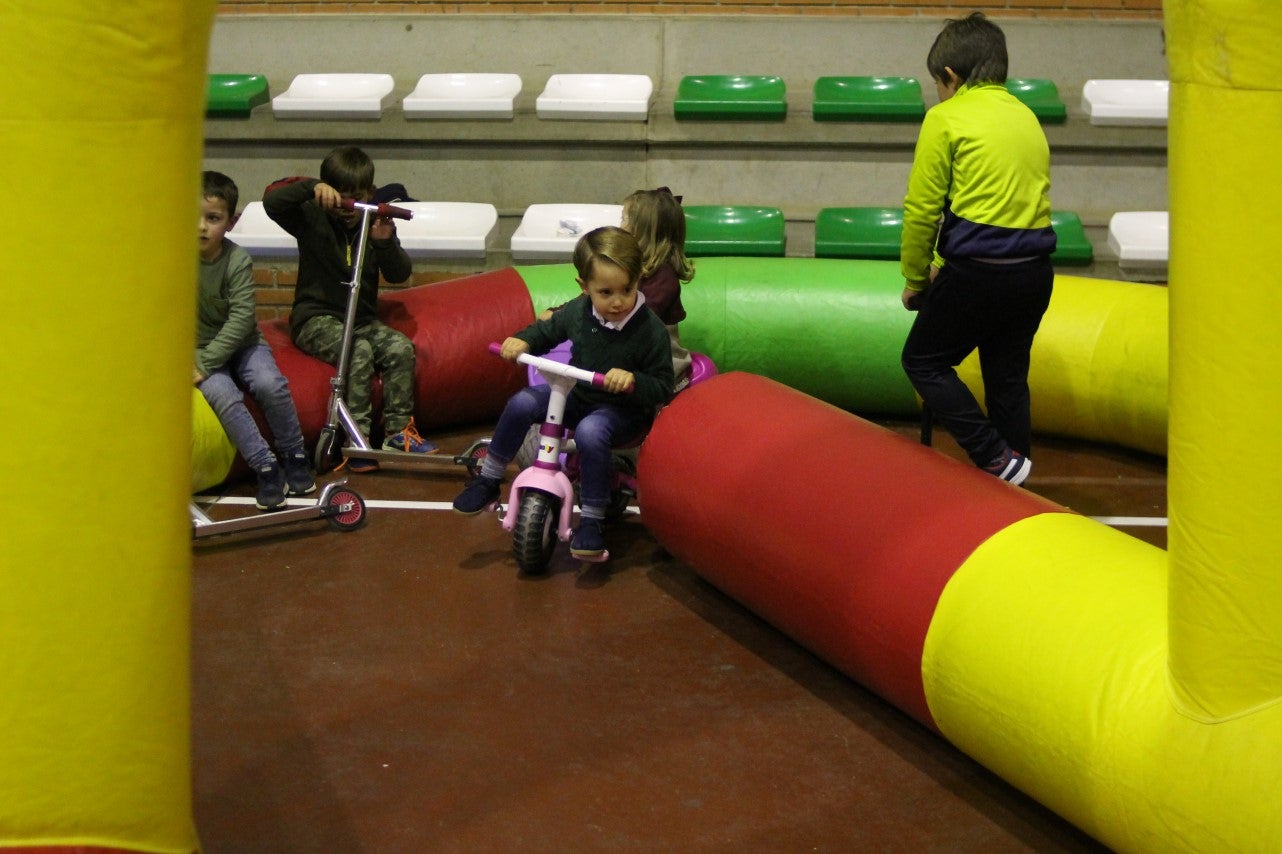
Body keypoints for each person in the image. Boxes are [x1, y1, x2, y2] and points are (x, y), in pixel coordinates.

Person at [898, 12, 1056, 486]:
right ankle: (1016, 479)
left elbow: (923, 209)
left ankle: (993, 455)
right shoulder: (1026, 116)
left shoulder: (945, 118)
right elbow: (1007, 201)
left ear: (950, 76)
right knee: (1006, 378)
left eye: (938, 85)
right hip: (1034, 274)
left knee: (922, 361)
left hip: (979, 274)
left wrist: (915, 277)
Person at [454, 226, 675, 559]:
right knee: (523, 402)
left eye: (626, 290)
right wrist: (522, 340)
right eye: (605, 292)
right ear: (584, 287)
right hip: (582, 398)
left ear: (639, 281)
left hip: (625, 412)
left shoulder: (650, 329)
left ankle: (592, 521)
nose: (617, 302)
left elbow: (662, 385)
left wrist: (631, 380)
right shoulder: (578, 310)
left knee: (590, 431)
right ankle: (488, 480)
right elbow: (547, 331)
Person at [263, 145, 436, 471]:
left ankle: (399, 431)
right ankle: (356, 439)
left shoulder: (373, 221)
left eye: (356, 197)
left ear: (369, 193)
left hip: (360, 318)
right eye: (340, 197)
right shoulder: (308, 218)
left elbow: (399, 274)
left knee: (400, 348)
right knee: (356, 351)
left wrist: (384, 242)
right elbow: (272, 200)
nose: (347, 207)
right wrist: (312, 187)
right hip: (315, 318)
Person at [196, 171, 315, 511]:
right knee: (224, 396)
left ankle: (294, 453)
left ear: (230, 223)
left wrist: (203, 364)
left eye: (212, 218)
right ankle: (265, 465)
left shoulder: (237, 261)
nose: (202, 227)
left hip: (244, 343)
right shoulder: (175, 260)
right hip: (200, 348)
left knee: (270, 383)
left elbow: (241, 321)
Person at [540, 187, 695, 393]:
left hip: (651, 361)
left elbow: (638, 322)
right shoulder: (619, 269)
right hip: (615, 350)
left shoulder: (663, 277)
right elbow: (591, 298)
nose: (620, 225)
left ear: (643, 230)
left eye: (625, 219)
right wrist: (560, 312)